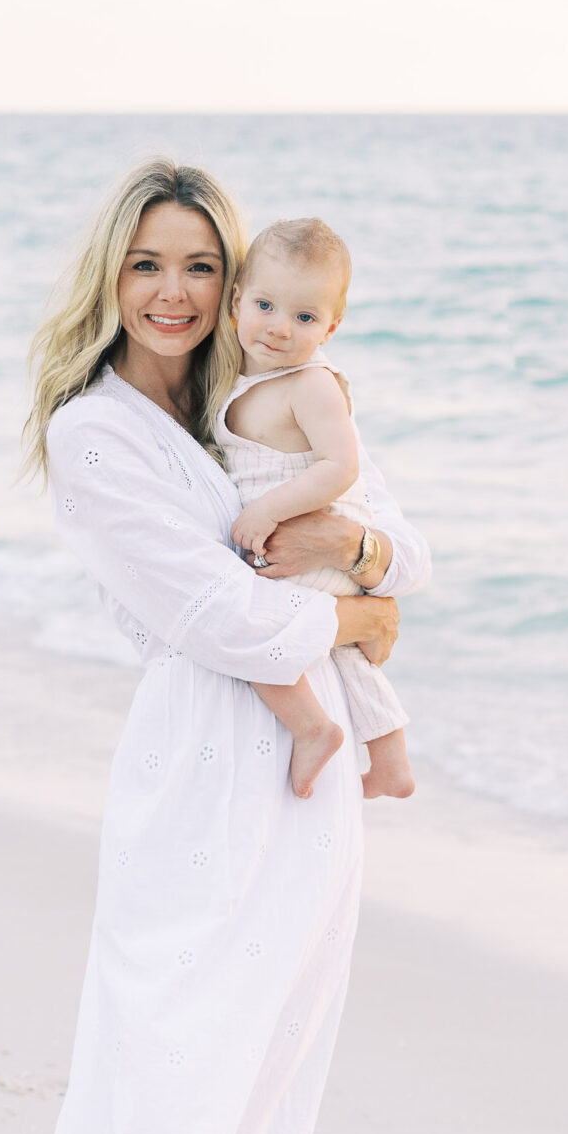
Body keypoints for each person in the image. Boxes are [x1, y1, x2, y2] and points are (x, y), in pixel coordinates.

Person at [18, 158, 430, 1134]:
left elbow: (406, 547)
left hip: (306, 774)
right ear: (108, 274)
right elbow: (213, 613)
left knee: (273, 1044)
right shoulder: (94, 433)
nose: (174, 291)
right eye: (146, 263)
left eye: (200, 265)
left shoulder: (257, 395)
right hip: (199, 761)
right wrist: (354, 617)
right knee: (169, 1043)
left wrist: (357, 556)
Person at [220, 216, 416, 804]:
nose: (280, 328)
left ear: (333, 324)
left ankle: (312, 728)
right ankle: (391, 763)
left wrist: (267, 512)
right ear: (236, 300)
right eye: (266, 306)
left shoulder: (312, 384)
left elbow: (340, 467)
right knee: (349, 657)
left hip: (309, 544)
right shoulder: (240, 377)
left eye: (304, 318)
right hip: (311, 555)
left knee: (250, 632)